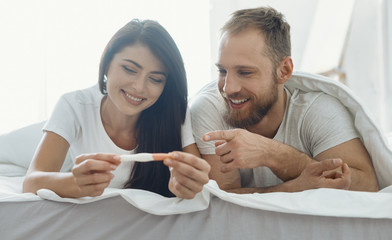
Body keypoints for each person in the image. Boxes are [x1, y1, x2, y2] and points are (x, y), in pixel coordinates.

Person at [190, 7, 378, 193]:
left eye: (245, 72)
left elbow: (368, 186)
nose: (228, 88)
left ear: (284, 71)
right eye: (222, 71)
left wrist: (273, 154)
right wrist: (295, 187)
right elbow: (224, 202)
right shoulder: (209, 110)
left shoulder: (316, 111)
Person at [23, 19, 210, 199]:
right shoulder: (74, 105)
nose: (139, 87)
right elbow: (31, 184)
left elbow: (199, 181)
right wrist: (74, 183)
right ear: (106, 65)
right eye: (129, 69)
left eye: (155, 79)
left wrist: (190, 186)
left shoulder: (174, 110)